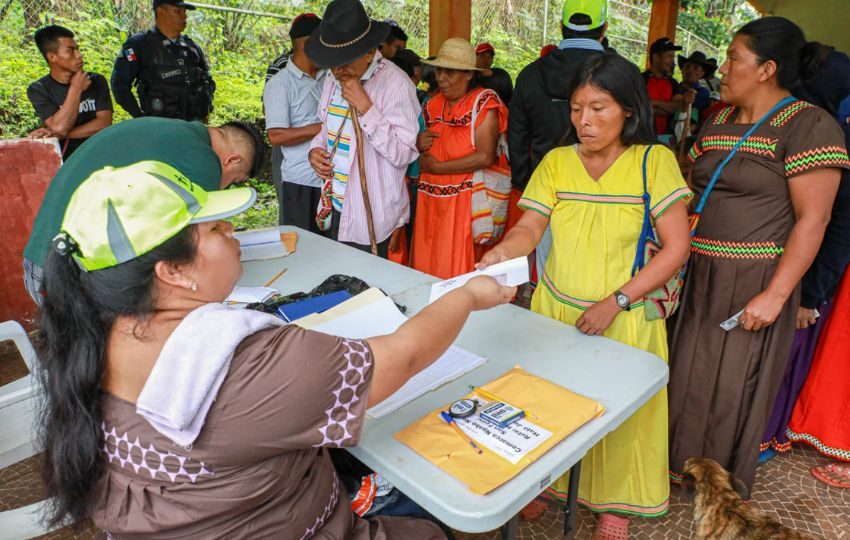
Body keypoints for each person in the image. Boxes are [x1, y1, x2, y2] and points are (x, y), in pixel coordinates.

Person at [35, 158, 518, 537]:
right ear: (172, 272)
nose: (234, 236)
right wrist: (466, 296)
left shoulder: (87, 336)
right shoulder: (247, 364)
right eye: (217, 230)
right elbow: (402, 357)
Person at [481, 53, 692, 538]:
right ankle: (545, 482)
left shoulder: (652, 162)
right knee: (549, 402)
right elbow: (529, 228)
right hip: (556, 308)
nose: (584, 121)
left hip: (627, 311)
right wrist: (501, 253)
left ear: (629, 112)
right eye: (577, 108)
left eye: (599, 108)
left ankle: (614, 504)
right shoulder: (557, 163)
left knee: (619, 411)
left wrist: (615, 302)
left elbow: (676, 249)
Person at [668, 17, 849, 493]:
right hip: (698, 271)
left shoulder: (810, 125)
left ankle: (717, 484)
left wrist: (777, 294)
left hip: (756, 276)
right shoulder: (719, 119)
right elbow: (695, 189)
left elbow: (814, 220)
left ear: (767, 68)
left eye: (733, 58)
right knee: (686, 370)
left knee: (732, 385)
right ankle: (675, 468)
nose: (721, 68)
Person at [22, 117, 263, 303]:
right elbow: (196, 244)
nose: (225, 186)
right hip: (72, 274)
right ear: (232, 160)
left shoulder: (174, 133)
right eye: (234, 181)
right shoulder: (202, 158)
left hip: (44, 258)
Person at [306, 0, 419, 259]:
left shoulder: (397, 86)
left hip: (372, 216)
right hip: (336, 204)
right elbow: (326, 127)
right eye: (331, 62)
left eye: (344, 61)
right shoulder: (333, 78)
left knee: (366, 292)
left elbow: (403, 153)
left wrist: (367, 108)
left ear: (369, 52)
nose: (336, 70)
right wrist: (316, 151)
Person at [509, 0, 607, 281]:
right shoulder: (621, 76)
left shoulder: (530, 75)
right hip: (605, 196)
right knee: (597, 278)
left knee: (547, 276)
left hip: (547, 194)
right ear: (604, 30)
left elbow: (516, 136)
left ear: (561, 28)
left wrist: (525, 184)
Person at [410, 38, 508, 279]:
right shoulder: (431, 105)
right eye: (440, 69)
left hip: (464, 204)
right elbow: (424, 147)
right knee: (425, 268)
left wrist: (439, 167)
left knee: (456, 272)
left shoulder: (484, 103)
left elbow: (485, 156)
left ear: (468, 74)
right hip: (429, 201)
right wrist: (418, 142)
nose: (442, 77)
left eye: (450, 71)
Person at [264, 13, 327, 231]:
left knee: (330, 249)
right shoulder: (280, 84)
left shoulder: (329, 77)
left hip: (330, 181)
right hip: (300, 181)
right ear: (310, 44)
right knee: (302, 246)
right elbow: (275, 136)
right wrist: (318, 129)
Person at [111, 0, 214, 121]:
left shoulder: (191, 46)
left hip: (193, 127)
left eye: (185, 11)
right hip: (159, 127)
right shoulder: (139, 44)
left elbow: (208, 79)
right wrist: (139, 117)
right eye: (178, 11)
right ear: (161, 12)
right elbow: (119, 85)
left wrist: (207, 108)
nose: (184, 16)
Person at [26, 25, 112, 158]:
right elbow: (59, 126)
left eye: (78, 49)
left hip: (98, 154)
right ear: (52, 56)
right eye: (71, 50)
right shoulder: (38, 89)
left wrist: (57, 134)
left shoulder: (96, 81)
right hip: (63, 160)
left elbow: (104, 124)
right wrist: (76, 89)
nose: (79, 55)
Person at [643, 37, 694, 138]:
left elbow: (678, 106)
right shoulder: (640, 79)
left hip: (666, 140)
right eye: (669, 56)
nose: (672, 61)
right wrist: (667, 107)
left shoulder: (673, 83)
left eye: (673, 57)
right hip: (641, 136)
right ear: (656, 57)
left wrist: (652, 103)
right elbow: (638, 106)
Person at [673, 51, 713, 139]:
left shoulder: (703, 93)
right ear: (682, 69)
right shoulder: (673, 86)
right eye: (687, 66)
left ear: (702, 73)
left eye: (695, 68)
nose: (690, 70)